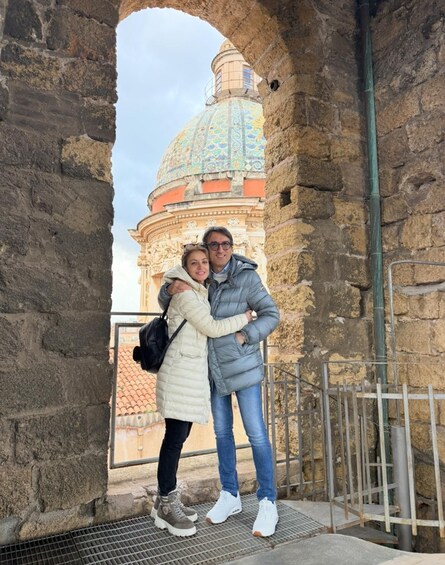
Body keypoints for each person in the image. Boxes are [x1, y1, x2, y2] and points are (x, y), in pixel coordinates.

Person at [160, 227, 280, 537]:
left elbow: (271, 313)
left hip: (242, 366)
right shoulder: (198, 280)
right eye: (213, 245)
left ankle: (267, 501)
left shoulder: (247, 277)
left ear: (232, 246)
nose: (220, 249)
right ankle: (230, 495)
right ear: (206, 249)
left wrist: (246, 336)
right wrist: (167, 289)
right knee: (222, 433)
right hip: (212, 369)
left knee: (256, 433)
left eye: (225, 244)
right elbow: (170, 298)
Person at [152, 243, 253, 538]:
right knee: (174, 440)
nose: (200, 267)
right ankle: (166, 504)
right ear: (185, 267)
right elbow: (211, 327)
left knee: (177, 437)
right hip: (180, 376)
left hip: (186, 375)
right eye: (194, 263)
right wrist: (245, 318)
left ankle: (164, 499)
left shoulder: (196, 290)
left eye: (204, 262)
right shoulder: (185, 293)